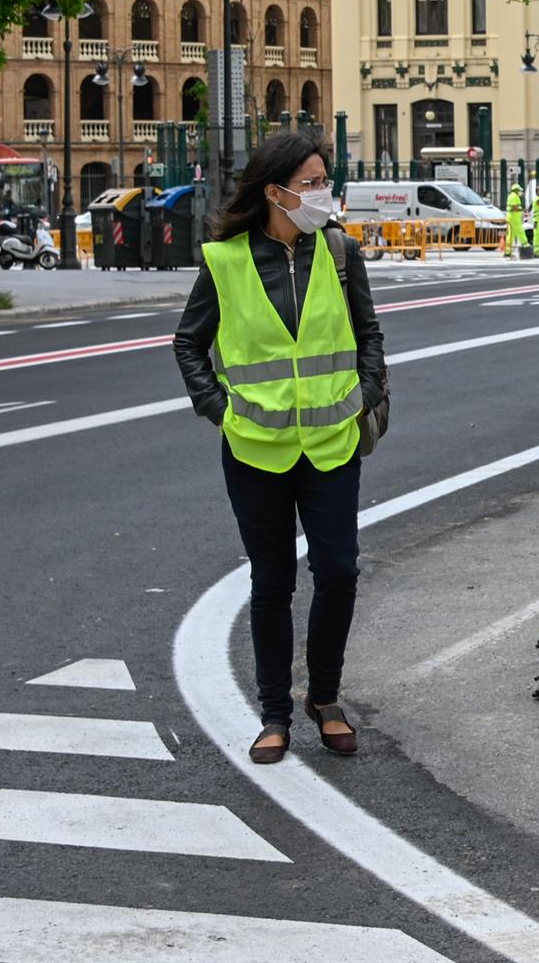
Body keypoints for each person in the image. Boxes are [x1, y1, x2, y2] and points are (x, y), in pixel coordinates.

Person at [173, 132, 388, 765]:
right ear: (276, 191)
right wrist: (219, 410)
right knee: (271, 581)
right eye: (314, 181)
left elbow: (368, 332)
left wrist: (365, 396)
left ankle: (325, 697)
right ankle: (273, 714)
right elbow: (188, 344)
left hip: (330, 442)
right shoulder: (227, 260)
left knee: (340, 571)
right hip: (254, 449)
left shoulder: (341, 251)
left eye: (325, 179)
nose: (324, 191)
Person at [503, 182, 524, 259]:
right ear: (516, 190)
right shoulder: (513, 196)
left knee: (511, 235)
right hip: (513, 218)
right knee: (517, 233)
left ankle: (508, 252)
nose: (520, 192)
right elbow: (514, 207)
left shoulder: (513, 196)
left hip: (513, 217)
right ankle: (508, 252)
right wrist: (521, 209)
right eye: (519, 190)